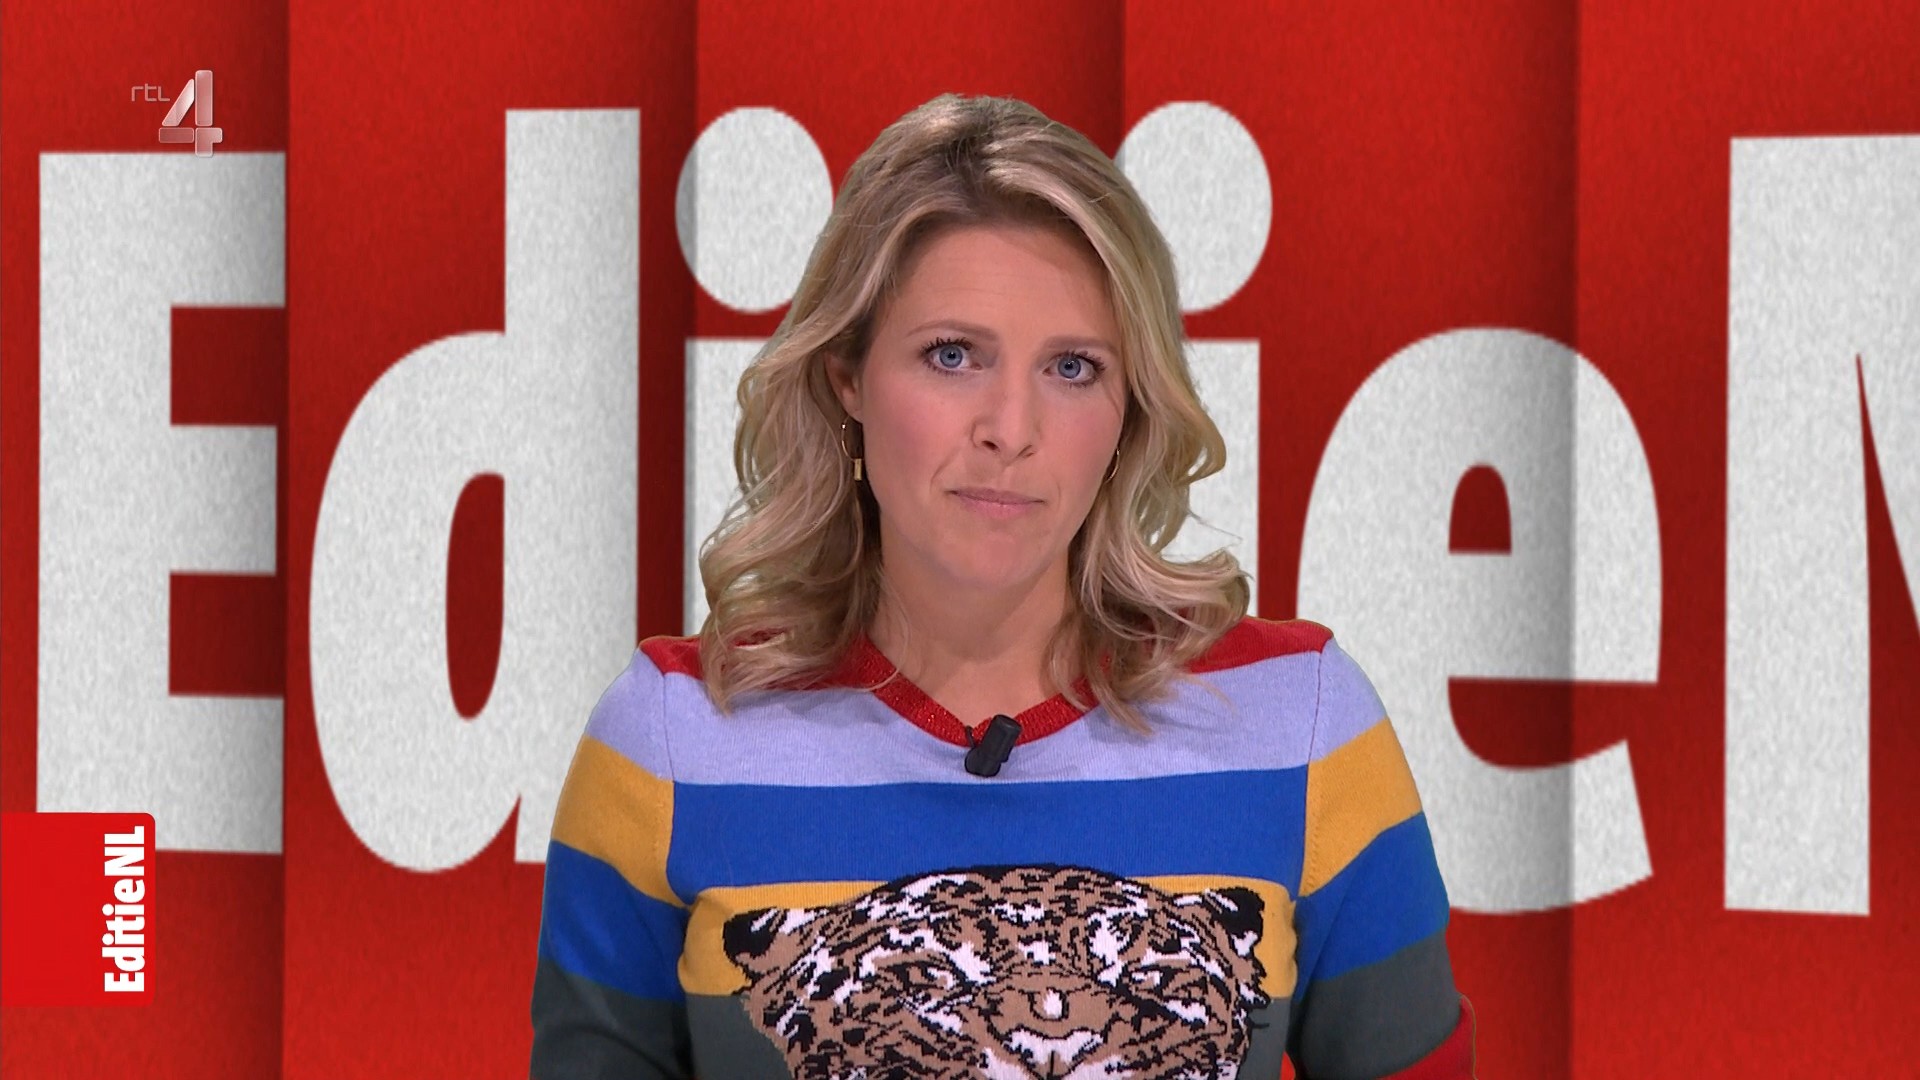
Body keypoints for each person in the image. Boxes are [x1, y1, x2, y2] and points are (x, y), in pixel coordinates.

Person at [529, 92, 1475, 1079]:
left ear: (1131, 406)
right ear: (848, 375)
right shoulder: (671, 741)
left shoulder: (1300, 722)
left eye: (1073, 367)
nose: (1011, 429)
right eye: (953, 356)